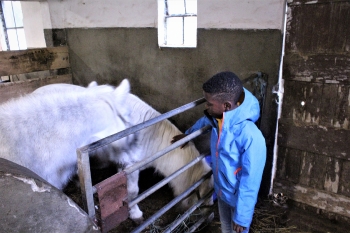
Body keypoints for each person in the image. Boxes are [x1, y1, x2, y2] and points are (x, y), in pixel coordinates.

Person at [171, 71, 266, 233]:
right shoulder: (220, 118)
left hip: (238, 199)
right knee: (226, 228)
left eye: (209, 104)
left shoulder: (251, 137)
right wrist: (189, 134)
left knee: (236, 229)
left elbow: (251, 180)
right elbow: (204, 120)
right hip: (221, 191)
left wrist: (242, 216)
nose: (206, 107)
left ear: (227, 106)